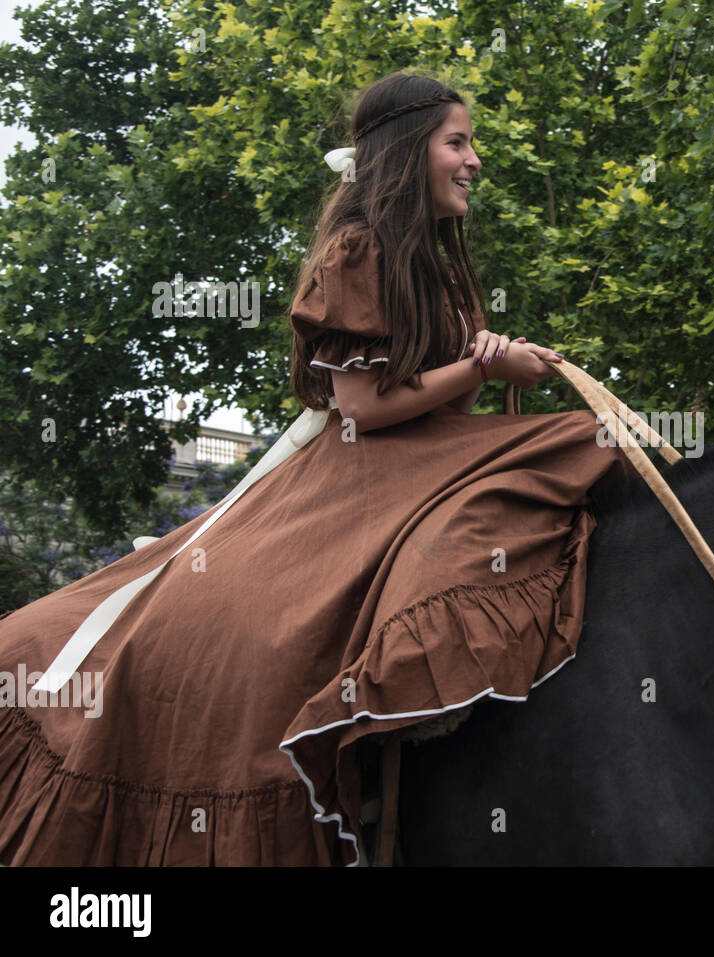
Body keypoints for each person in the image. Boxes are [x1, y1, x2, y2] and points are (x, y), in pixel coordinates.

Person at [0, 72, 632, 865]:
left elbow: (430, 397)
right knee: (575, 439)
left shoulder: (434, 264)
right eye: (458, 142)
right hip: (361, 466)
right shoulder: (357, 248)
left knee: (589, 438)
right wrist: (484, 370)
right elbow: (362, 404)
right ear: (410, 154)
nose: (475, 161)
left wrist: (490, 363)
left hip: (418, 461)